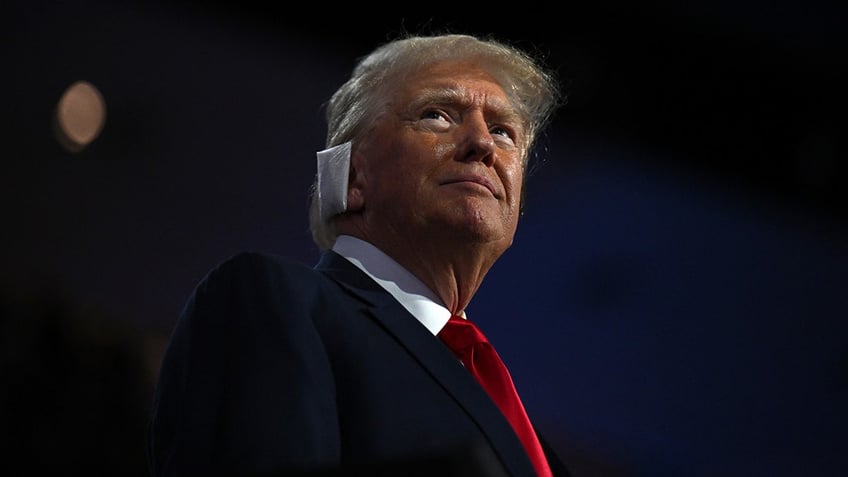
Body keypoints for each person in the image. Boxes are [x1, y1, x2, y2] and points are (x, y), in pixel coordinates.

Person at [146, 32, 567, 476]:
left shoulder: (526, 437)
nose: (482, 143)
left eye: (503, 131)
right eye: (438, 115)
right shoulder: (277, 302)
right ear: (351, 176)